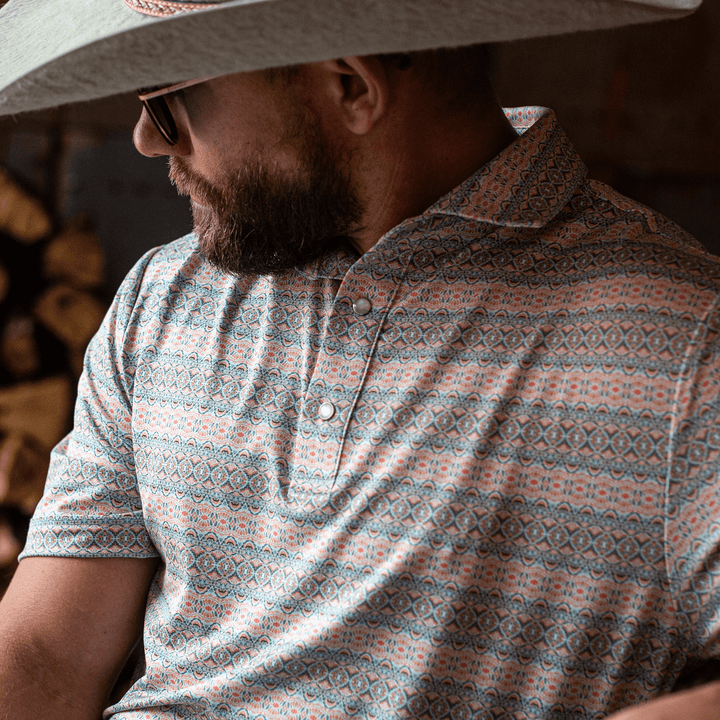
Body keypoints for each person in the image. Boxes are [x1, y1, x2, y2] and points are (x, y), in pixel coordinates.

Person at [0, 0, 719, 718]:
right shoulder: (163, 295)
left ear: (350, 87)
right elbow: (42, 654)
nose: (147, 143)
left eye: (168, 102)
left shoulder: (687, 344)